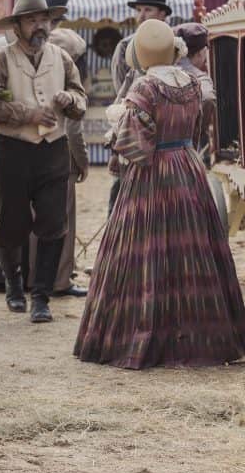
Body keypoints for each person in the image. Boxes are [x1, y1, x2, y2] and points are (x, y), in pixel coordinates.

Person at [75, 19, 245, 369]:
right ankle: (200, 333)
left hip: (152, 175)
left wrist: (115, 132)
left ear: (139, 52)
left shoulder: (145, 88)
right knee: (193, 249)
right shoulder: (192, 83)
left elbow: (135, 147)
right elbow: (198, 129)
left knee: (146, 252)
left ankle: (146, 332)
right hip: (187, 166)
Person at [0, 0, 86, 324]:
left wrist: (70, 100)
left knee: (54, 224)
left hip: (53, 150)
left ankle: (41, 297)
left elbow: (81, 97)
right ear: (18, 26)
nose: (40, 26)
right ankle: (12, 283)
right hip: (13, 150)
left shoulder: (62, 57)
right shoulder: (1, 58)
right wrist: (27, 114)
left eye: (44, 19)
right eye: (32, 20)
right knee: (11, 224)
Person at [26, 25, 90, 298]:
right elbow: (74, 131)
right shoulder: (66, 83)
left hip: (29, 158)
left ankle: (33, 278)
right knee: (61, 222)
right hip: (61, 159)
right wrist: (83, 162)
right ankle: (59, 281)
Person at [108, 0, 171, 211]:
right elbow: (121, 97)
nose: (141, 15)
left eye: (148, 10)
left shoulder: (175, 45)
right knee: (124, 197)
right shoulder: (125, 47)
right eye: (139, 10)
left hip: (168, 134)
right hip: (134, 133)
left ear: (163, 14)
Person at [173, 23, 216, 154]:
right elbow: (207, 99)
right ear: (200, 52)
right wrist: (197, 129)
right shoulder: (199, 78)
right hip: (185, 153)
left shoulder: (156, 70)